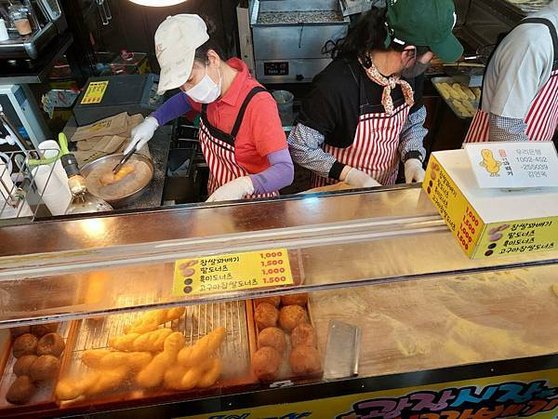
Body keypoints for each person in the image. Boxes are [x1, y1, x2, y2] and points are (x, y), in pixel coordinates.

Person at [287, 0, 463, 189]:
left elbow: (413, 124)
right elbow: (300, 147)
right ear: (408, 53)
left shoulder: (409, 78)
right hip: (336, 193)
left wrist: (413, 159)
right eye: (432, 53)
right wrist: (349, 175)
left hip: (385, 190)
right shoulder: (336, 85)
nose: (431, 60)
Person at [125, 14, 294, 202]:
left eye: (189, 79)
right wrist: (153, 121)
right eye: (181, 85)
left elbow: (285, 171)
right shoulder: (210, 87)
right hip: (217, 193)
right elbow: (183, 101)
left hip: (254, 201)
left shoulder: (258, 104)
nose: (188, 91)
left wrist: (243, 185)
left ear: (212, 58)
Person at [464, 0, 558, 143]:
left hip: (536, 154)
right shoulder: (533, 41)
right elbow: (505, 129)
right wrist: (531, 164)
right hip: (493, 157)